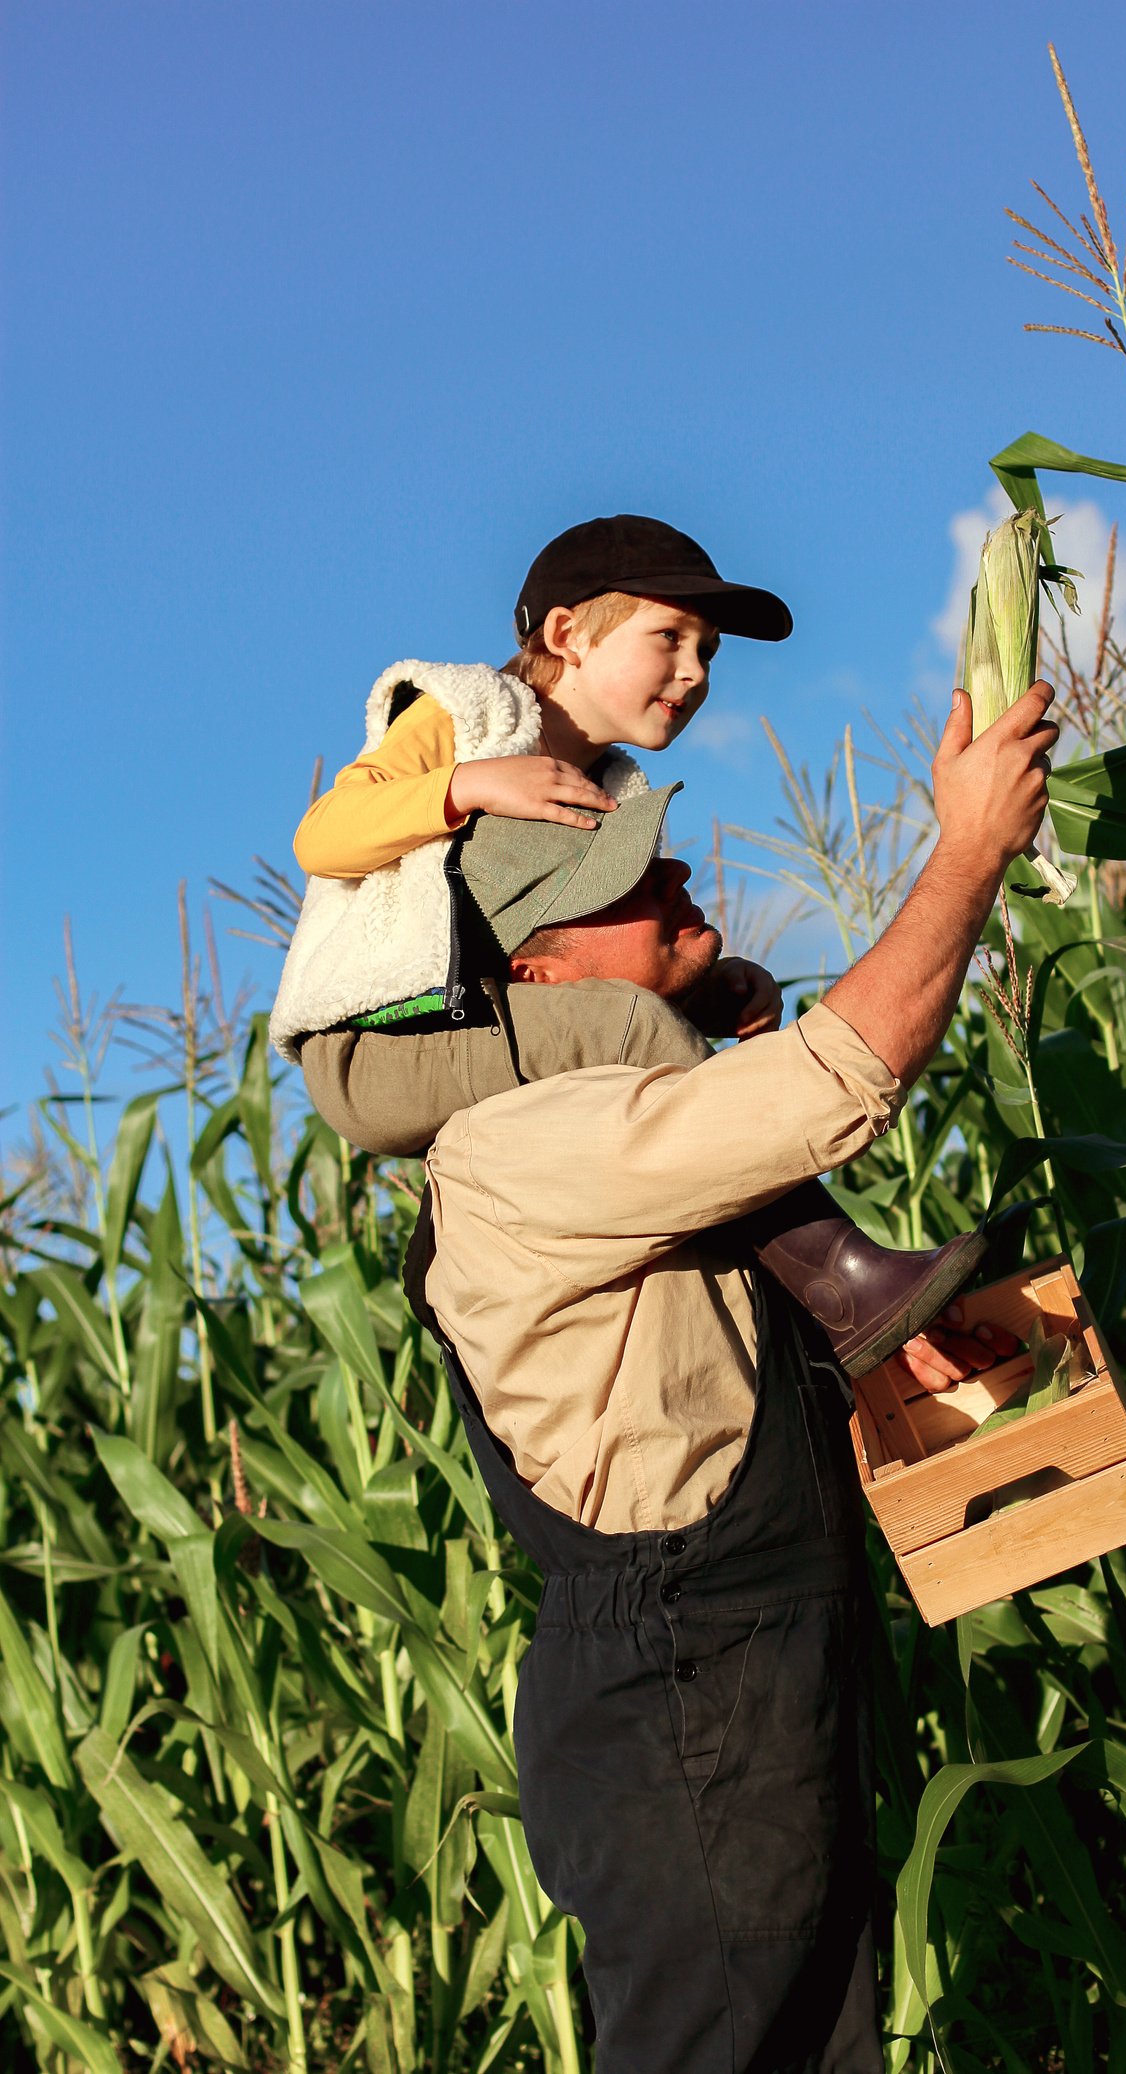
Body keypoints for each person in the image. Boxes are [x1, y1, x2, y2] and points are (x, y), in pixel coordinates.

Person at [406, 679, 1059, 2072]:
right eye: (620, 882)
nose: (675, 872)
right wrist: (965, 852)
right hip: (680, 1684)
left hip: (747, 1664)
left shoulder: (635, 1122)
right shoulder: (525, 1137)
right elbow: (842, 1075)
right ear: (531, 972)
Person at [270, 515, 991, 1376]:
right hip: (377, 1046)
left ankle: (822, 1306)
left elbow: (546, 951)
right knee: (617, 1024)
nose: (694, 673)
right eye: (669, 638)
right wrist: (464, 782)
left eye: (709, 652)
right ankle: (839, 1282)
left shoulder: (609, 780)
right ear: (567, 635)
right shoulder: (464, 714)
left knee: (625, 1022)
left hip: (462, 1020)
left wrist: (700, 988)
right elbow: (322, 835)